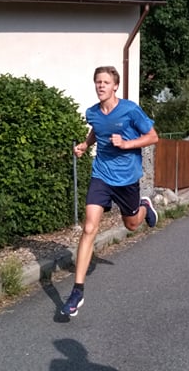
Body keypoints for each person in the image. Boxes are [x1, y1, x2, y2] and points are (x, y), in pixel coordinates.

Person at [63, 66, 159, 317]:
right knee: (89, 227)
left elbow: (153, 136)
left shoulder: (130, 110)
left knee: (131, 225)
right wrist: (86, 144)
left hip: (127, 178)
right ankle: (77, 291)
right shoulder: (92, 113)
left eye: (106, 82)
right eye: (98, 82)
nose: (101, 86)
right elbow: (98, 130)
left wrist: (127, 144)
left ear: (115, 86)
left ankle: (144, 206)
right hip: (101, 175)